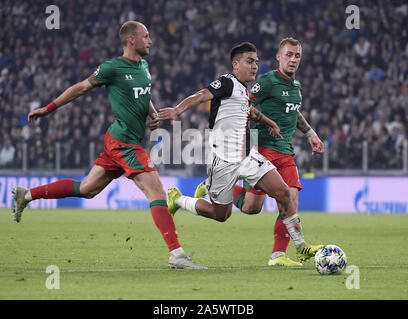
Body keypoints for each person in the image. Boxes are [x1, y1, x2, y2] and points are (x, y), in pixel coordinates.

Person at [11, 21, 206, 270]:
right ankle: (177, 255)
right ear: (131, 40)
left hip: (122, 140)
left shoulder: (144, 66)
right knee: (156, 191)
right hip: (123, 142)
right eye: (146, 36)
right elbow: (81, 87)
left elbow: (143, 94)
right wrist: (49, 109)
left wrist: (153, 113)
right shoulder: (112, 68)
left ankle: (26, 195)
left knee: (87, 189)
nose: (151, 40)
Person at [159, 42, 321, 264]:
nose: (255, 66)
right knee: (221, 215)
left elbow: (251, 111)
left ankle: (300, 246)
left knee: (283, 193)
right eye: (249, 61)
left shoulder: (244, 91)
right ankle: (178, 200)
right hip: (223, 161)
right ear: (235, 65)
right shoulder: (227, 82)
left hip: (247, 158)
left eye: (256, 61)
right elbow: (201, 95)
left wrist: (268, 121)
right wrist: (177, 109)